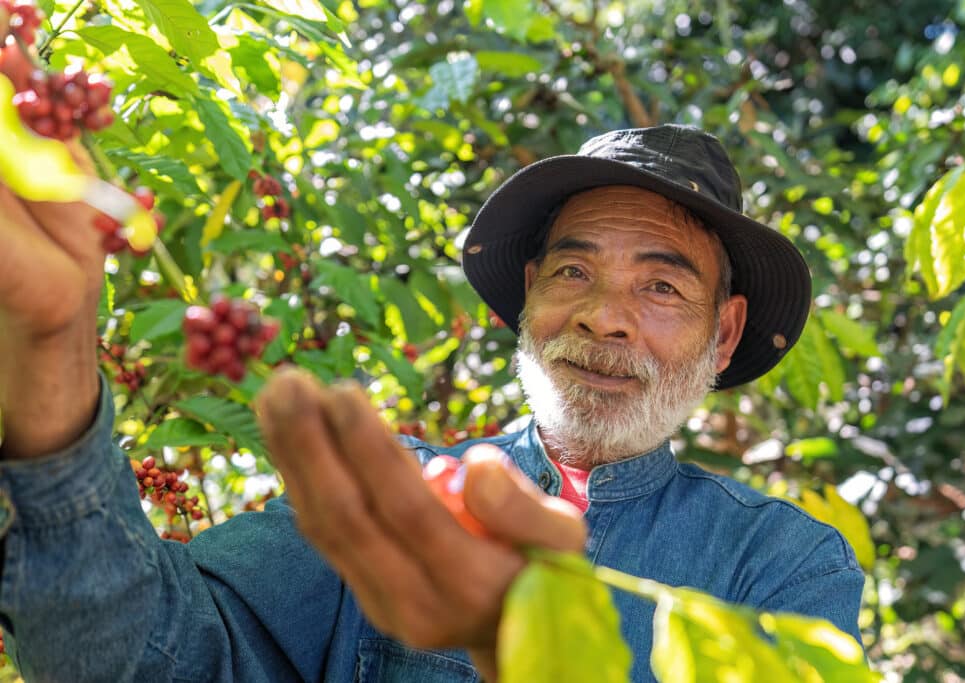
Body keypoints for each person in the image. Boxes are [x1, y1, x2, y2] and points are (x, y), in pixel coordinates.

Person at [0, 124, 863, 682]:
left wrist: (515, 654)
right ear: (530, 294)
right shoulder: (394, 500)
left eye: (663, 287)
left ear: (724, 333)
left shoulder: (782, 566)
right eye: (574, 271)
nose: (604, 316)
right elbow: (143, 656)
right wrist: (53, 362)